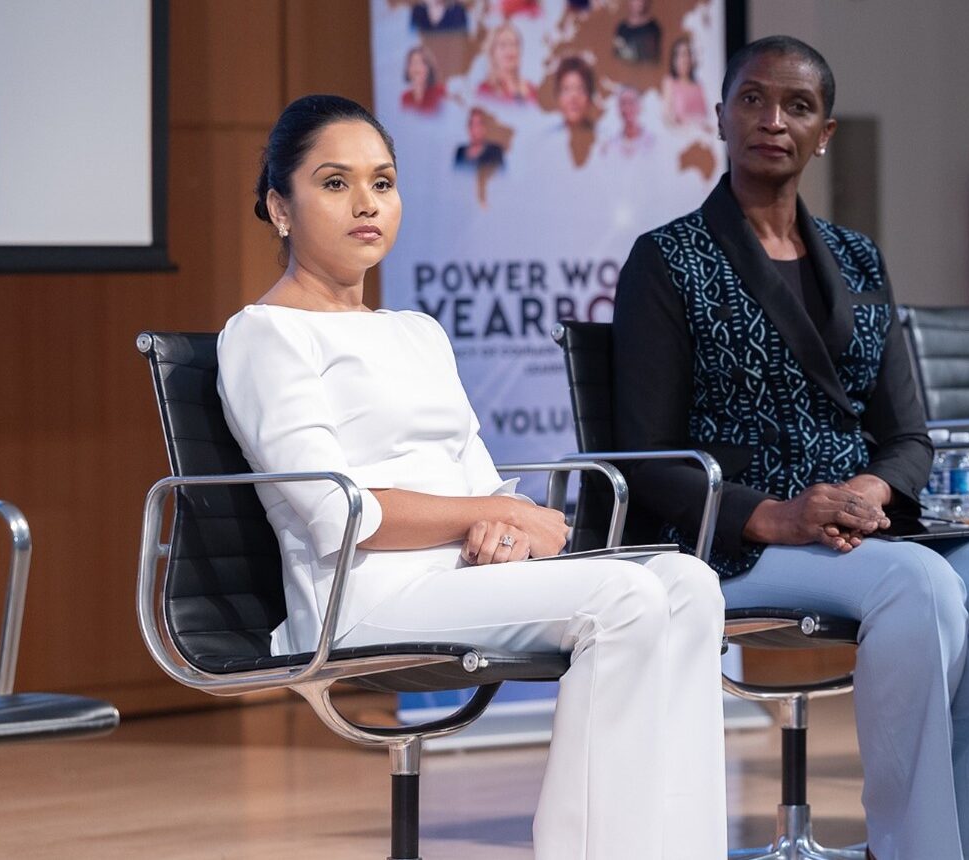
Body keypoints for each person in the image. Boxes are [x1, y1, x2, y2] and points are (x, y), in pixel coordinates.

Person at [218, 94, 727, 860]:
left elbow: (486, 487)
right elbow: (337, 514)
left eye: (383, 182)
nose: (366, 203)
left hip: (464, 578)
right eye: (335, 183)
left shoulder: (416, 331)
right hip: (360, 600)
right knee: (623, 597)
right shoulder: (265, 335)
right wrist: (485, 517)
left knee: (688, 583)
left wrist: (504, 525)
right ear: (280, 208)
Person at [611, 37, 969, 860]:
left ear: (823, 134)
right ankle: (916, 847)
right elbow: (648, 459)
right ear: (719, 116)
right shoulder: (666, 259)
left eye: (798, 106)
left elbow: (907, 436)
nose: (771, 120)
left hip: (859, 529)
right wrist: (779, 516)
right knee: (921, 582)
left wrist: (874, 492)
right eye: (752, 99)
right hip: (735, 539)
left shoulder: (858, 257)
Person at [476, 22, 537, 104]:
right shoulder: (485, 90)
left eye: (513, 44)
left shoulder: (532, 89)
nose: (509, 50)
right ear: (492, 52)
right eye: (503, 45)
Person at [663, 36, 708, 127]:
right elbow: (667, 116)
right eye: (682, 54)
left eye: (688, 54)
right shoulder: (670, 82)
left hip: (699, 133)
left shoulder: (698, 85)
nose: (686, 59)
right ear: (674, 59)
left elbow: (705, 116)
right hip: (680, 133)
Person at [599, 87, 653, 158]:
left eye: (631, 102)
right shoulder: (610, 146)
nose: (627, 108)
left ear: (640, 106)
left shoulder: (652, 142)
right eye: (623, 103)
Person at [454, 107, 505, 172]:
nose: (474, 129)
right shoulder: (460, 151)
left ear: (485, 127)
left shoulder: (495, 151)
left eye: (478, 124)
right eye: (471, 124)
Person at [553, 55, 594, 130]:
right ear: (558, 97)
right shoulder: (545, 136)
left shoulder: (606, 136)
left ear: (590, 96)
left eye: (580, 89)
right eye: (566, 89)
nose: (573, 97)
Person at [400, 46, 445, 114]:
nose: (416, 68)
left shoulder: (440, 92)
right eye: (412, 63)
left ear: (429, 68)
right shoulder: (405, 97)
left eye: (421, 63)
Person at [613, 0, 661, 64]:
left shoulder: (653, 28)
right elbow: (617, 54)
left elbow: (652, 58)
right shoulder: (621, 28)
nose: (639, 3)